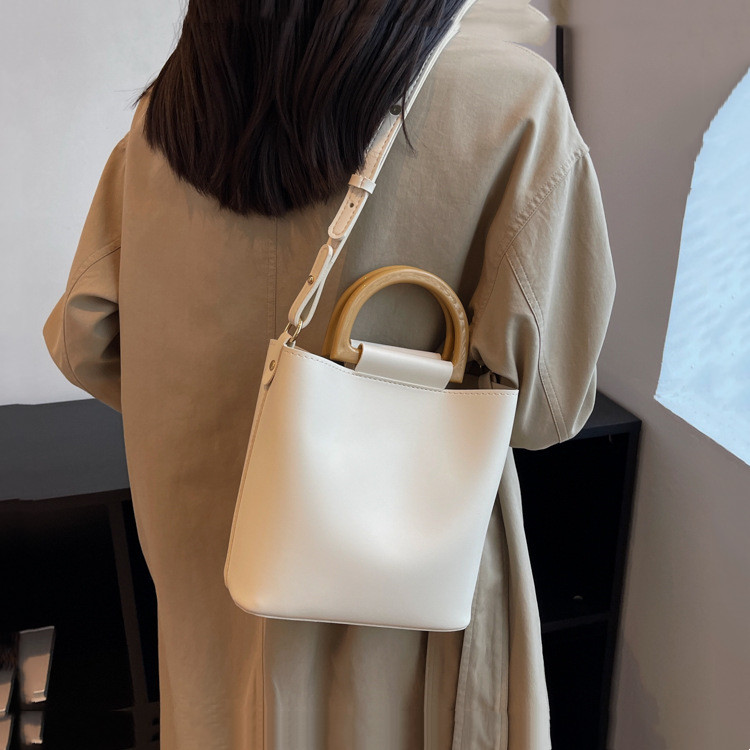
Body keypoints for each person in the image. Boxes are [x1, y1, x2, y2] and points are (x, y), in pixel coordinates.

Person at [42, 0, 616, 748]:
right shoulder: (513, 102)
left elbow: (85, 339)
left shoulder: (174, 115)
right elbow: (547, 408)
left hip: (212, 600)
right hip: (400, 597)